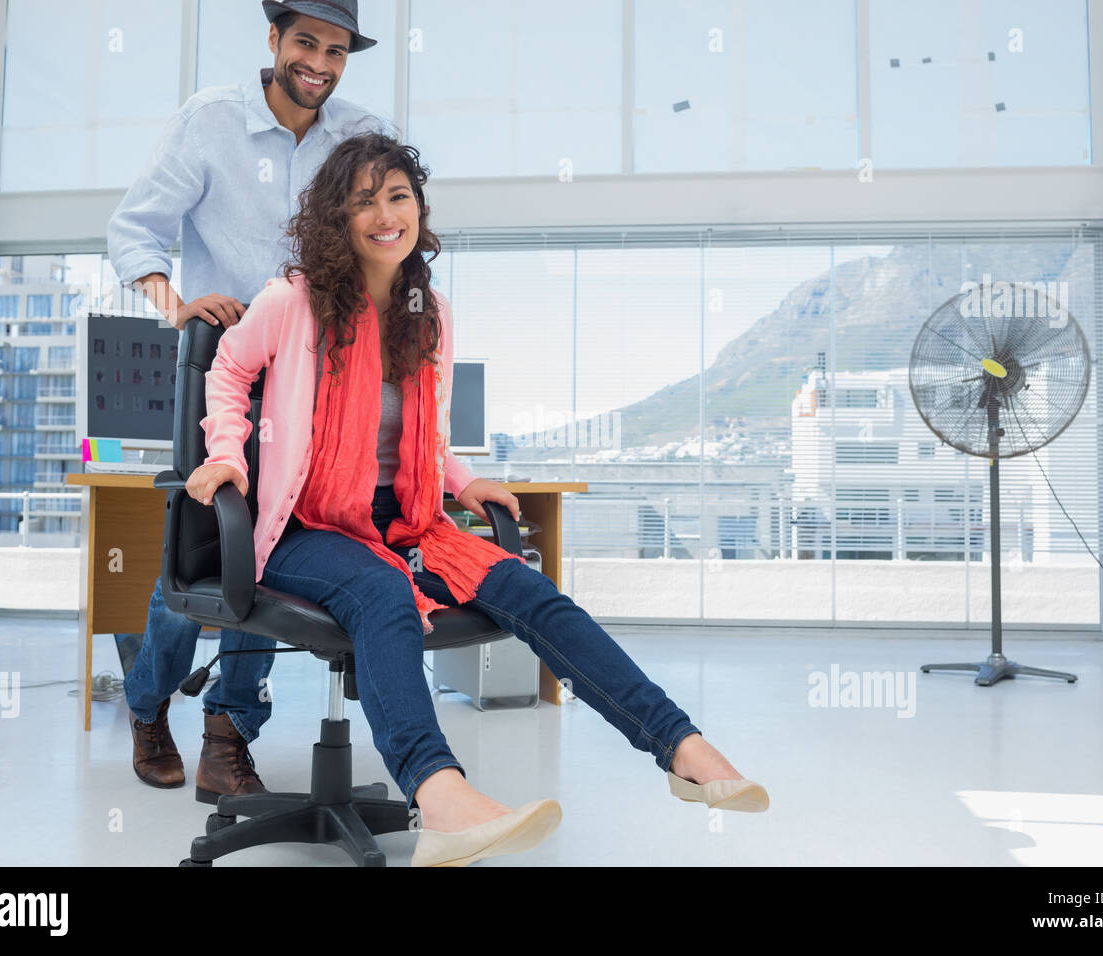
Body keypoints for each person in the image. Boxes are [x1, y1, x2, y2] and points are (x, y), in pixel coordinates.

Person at [187, 131, 770, 866]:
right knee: (378, 592)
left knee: (532, 591)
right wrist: (222, 457)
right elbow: (230, 371)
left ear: (419, 210)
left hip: (403, 522)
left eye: (398, 196)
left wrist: (464, 483)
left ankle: (680, 745)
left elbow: (422, 442)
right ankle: (440, 797)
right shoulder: (292, 300)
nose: (385, 214)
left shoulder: (425, 313)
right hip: (307, 527)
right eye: (364, 200)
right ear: (337, 217)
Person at [105, 0, 385, 802]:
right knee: (205, 555)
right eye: (306, 43)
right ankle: (149, 701)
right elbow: (136, 230)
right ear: (273, 41)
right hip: (223, 367)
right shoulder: (211, 122)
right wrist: (173, 301)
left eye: (337, 51)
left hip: (314, 379)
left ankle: (228, 734)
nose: (320, 66)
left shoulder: (357, 135)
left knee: (272, 552)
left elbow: (384, 236)